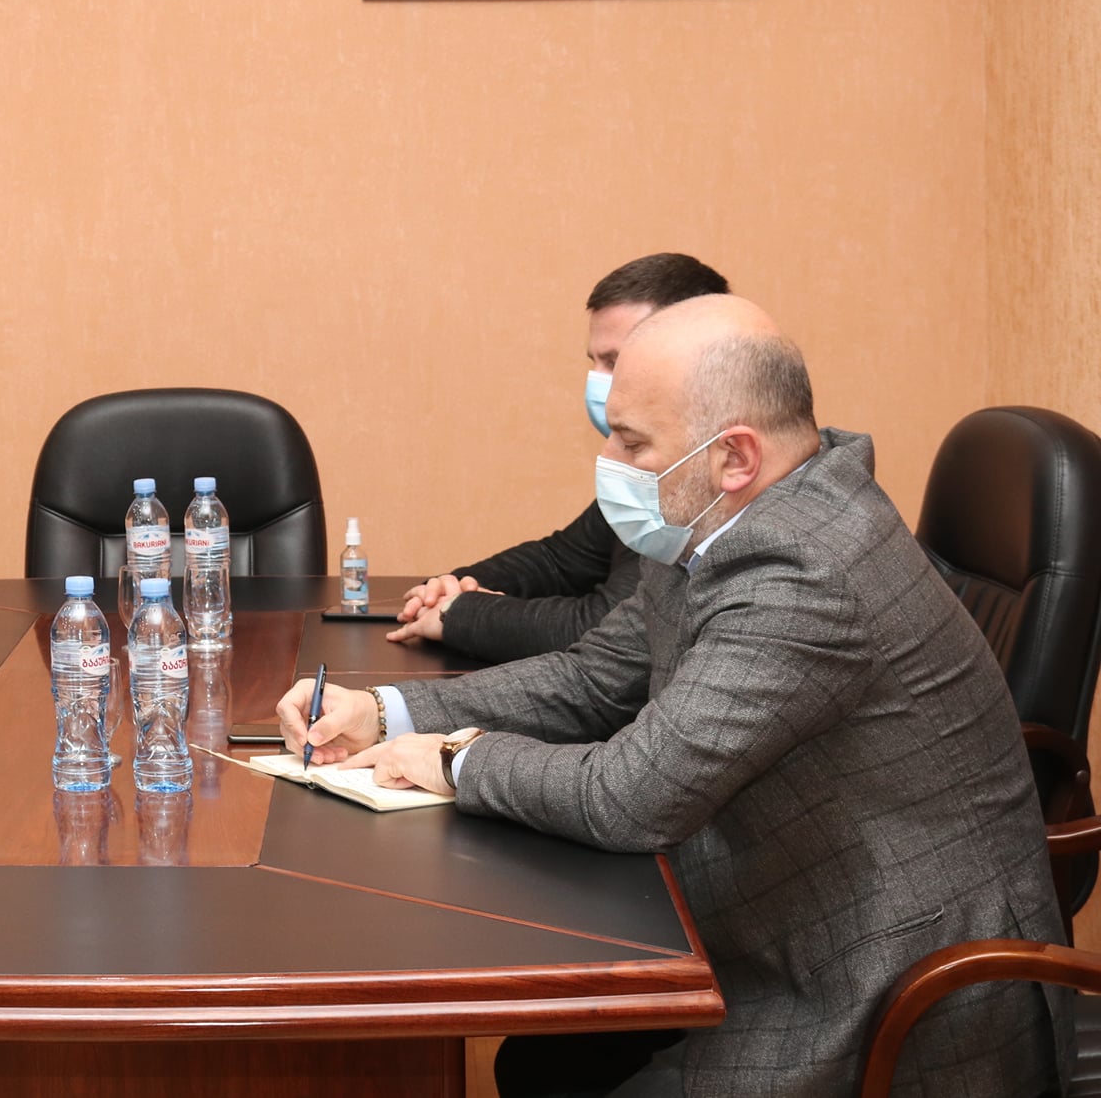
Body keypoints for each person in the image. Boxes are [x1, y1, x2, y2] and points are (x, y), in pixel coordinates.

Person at [282, 296, 1067, 1097]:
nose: (610, 459)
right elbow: (595, 675)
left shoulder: (804, 570)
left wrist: (456, 759)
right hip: (769, 904)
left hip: (886, 980)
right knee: (538, 1062)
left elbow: (629, 796)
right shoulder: (717, 513)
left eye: (632, 442)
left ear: (734, 455)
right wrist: (383, 710)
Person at [393, 253, 729, 662]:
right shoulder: (648, 467)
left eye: (616, 361)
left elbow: (611, 629)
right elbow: (560, 559)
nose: (600, 381)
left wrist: (458, 613)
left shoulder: (709, 473)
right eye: (596, 362)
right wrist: (451, 585)